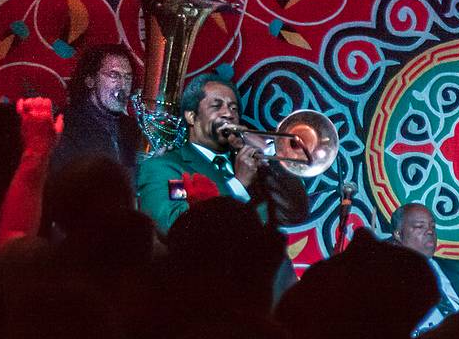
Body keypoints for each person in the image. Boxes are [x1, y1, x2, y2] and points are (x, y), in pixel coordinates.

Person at [136, 74, 309, 298]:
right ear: (191, 116)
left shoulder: (252, 163)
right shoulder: (166, 166)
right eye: (216, 106)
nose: (228, 114)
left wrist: (270, 154)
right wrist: (238, 185)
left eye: (234, 108)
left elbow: (296, 212)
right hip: (208, 295)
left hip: (266, 292)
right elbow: (172, 226)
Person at [49, 44, 145, 182]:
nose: (122, 85)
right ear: (90, 80)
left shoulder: (133, 128)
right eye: (114, 75)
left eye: (128, 77)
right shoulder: (66, 124)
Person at [388, 203, 459, 338]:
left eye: (432, 226)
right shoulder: (387, 278)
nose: (430, 231)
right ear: (398, 234)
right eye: (420, 227)